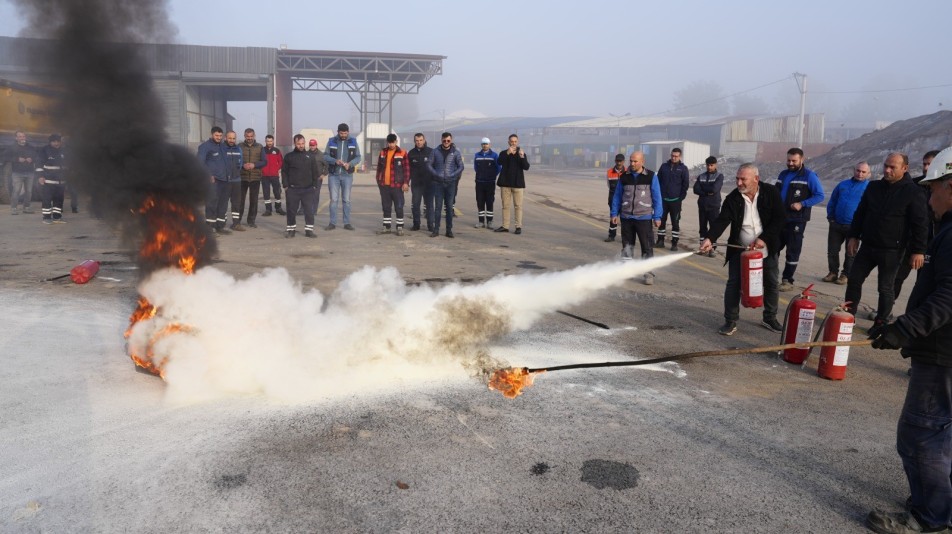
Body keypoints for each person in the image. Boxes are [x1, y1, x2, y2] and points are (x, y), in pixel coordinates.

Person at [864, 146, 952, 534]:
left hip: (942, 352)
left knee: (921, 433)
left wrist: (905, 328)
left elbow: (949, 296)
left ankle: (928, 518)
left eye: (932, 188)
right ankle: (940, 508)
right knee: (943, 432)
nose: (928, 196)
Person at [845, 153, 929, 336]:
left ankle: (881, 322)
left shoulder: (914, 192)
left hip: (892, 250)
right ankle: (847, 315)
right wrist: (853, 236)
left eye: (893, 167)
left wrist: (918, 251)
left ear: (904, 169)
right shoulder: (874, 187)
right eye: (886, 166)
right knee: (854, 279)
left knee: (885, 287)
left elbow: (920, 224)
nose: (887, 170)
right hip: (868, 246)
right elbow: (861, 213)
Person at [698, 163, 786, 336]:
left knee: (771, 283)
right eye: (737, 179)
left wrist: (764, 239)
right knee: (734, 284)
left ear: (756, 179)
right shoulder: (733, 198)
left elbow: (780, 219)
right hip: (739, 248)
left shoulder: (771, 193)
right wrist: (710, 238)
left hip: (766, 248)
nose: (738, 183)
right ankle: (730, 321)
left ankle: (769, 317)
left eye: (743, 179)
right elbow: (722, 220)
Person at [894, 149, 942, 302]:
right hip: (909, 243)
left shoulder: (946, 188)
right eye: (924, 164)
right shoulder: (913, 185)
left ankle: (916, 313)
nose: (926, 167)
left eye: (930, 164)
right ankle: (884, 310)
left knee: (924, 283)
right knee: (895, 278)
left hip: (933, 245)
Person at [776, 147, 825, 291]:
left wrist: (802, 203)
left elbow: (820, 195)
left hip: (796, 220)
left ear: (802, 160)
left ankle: (787, 280)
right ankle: (770, 276)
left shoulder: (809, 176)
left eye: (794, 161)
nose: (790, 163)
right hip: (780, 219)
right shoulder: (783, 174)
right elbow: (776, 193)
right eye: (788, 160)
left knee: (793, 251)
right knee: (773, 248)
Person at [610, 151, 662, 285]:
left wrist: (657, 216)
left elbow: (657, 198)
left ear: (642, 162)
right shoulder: (624, 177)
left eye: (635, 161)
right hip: (626, 217)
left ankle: (648, 273)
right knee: (627, 246)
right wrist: (614, 213)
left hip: (644, 217)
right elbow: (617, 196)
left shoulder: (651, 176)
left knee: (647, 246)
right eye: (631, 161)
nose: (632, 164)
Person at [823, 162, 871, 285]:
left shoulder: (869, 188)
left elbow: (870, 209)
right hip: (836, 224)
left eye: (863, 172)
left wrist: (863, 226)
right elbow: (833, 201)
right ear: (853, 170)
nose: (860, 174)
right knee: (832, 251)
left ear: (868, 173)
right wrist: (831, 218)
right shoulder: (842, 185)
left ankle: (845, 275)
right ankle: (833, 273)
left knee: (850, 252)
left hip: (853, 227)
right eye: (858, 170)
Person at [281, 134, 322, 238]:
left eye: (302, 143)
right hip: (293, 189)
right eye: (298, 143)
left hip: (308, 190)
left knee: (309, 211)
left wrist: (314, 186)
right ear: (294, 143)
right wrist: (286, 186)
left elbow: (315, 172)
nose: (301, 145)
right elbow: (284, 172)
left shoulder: (310, 157)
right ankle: (291, 230)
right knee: (291, 210)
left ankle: (309, 231)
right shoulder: (289, 156)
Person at [323, 123, 360, 231]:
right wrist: (335, 161)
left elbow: (358, 157)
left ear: (348, 132)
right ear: (338, 132)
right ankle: (332, 223)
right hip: (333, 175)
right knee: (334, 200)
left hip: (347, 175)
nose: (343, 135)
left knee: (346, 200)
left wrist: (350, 164)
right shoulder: (331, 141)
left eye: (345, 133)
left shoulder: (353, 141)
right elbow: (325, 155)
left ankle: (347, 222)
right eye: (341, 133)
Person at [427, 131, 464, 238]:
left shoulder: (456, 153)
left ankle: (449, 230)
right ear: (441, 140)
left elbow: (461, 167)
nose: (446, 142)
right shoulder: (435, 152)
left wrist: (453, 175)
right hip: (438, 183)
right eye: (444, 140)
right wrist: (436, 174)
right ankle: (436, 230)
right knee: (438, 208)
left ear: (451, 140)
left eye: (448, 140)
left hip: (450, 184)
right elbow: (429, 164)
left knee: (448, 208)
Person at [374, 133, 410, 235]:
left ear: (396, 142)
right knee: (386, 206)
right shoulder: (383, 152)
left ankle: (399, 228)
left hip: (397, 186)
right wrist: (379, 181)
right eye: (389, 143)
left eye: (393, 142)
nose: (391, 145)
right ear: (387, 142)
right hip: (384, 186)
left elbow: (407, 170)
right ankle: (387, 227)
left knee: (399, 206)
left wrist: (406, 183)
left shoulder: (402, 153)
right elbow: (379, 169)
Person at [197, 126, 231, 235]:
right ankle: (210, 228)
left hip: (225, 180)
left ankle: (219, 227)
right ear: (212, 134)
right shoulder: (204, 147)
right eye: (217, 135)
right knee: (212, 203)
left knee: (223, 204)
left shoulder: (223, 146)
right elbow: (199, 163)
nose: (219, 137)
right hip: (213, 181)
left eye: (221, 136)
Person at [655, 147, 690, 251]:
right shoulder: (664, 166)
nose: (674, 158)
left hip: (675, 201)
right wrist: (658, 196)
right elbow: (658, 181)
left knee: (675, 223)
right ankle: (660, 241)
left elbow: (685, 184)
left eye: (676, 156)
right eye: (672, 155)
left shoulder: (683, 169)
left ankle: (674, 243)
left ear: (680, 157)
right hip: (663, 200)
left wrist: (680, 198)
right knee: (661, 221)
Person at [494, 133, 530, 235]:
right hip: (505, 184)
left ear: (517, 142)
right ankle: (505, 226)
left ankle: (518, 227)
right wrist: (508, 153)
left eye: (515, 141)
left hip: (518, 185)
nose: (513, 143)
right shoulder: (503, 153)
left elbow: (526, 167)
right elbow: (499, 162)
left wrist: (522, 157)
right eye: (512, 141)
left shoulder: (521, 153)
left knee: (518, 206)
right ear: (508, 142)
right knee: (505, 206)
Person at [693, 156, 723, 257]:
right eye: (708, 165)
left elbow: (714, 189)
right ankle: (702, 247)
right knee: (702, 228)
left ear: (715, 165)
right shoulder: (701, 176)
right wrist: (707, 192)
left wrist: (703, 190)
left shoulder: (719, 176)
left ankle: (712, 248)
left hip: (713, 206)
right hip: (702, 206)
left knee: (713, 227)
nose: (709, 167)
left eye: (711, 165)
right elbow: (695, 189)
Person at [237, 128, 267, 228]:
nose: (249, 138)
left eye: (251, 136)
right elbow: (235, 160)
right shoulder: (239, 146)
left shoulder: (260, 147)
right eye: (247, 136)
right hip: (242, 177)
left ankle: (251, 220)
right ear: (244, 136)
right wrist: (242, 165)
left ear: (254, 136)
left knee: (254, 200)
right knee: (240, 200)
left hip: (255, 178)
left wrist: (254, 165)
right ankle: (238, 220)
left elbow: (264, 161)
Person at [36, 133, 67, 224]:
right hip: (48, 180)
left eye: (58, 141)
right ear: (50, 142)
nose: (56, 143)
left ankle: (57, 217)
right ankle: (46, 218)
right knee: (47, 199)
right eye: (54, 142)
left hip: (61, 181)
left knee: (59, 199)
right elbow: (39, 164)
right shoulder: (44, 150)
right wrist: (40, 176)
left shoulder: (63, 151)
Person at [407, 133, 433, 232]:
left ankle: (431, 225)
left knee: (430, 206)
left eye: (421, 140)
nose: (419, 142)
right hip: (416, 184)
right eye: (417, 140)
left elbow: (435, 167)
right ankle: (416, 224)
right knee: (415, 205)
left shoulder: (431, 152)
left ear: (424, 140)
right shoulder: (411, 153)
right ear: (414, 141)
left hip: (428, 184)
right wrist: (406, 182)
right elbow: (408, 169)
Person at [473, 137, 500, 229]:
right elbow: (475, 167)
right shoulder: (477, 155)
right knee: (480, 201)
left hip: (490, 183)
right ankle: (481, 222)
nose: (485, 145)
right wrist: (480, 175)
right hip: (479, 182)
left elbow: (499, 168)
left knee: (489, 201)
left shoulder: (494, 156)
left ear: (489, 144)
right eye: (483, 144)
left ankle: (489, 221)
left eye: (486, 144)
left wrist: (492, 175)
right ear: (481, 145)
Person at [9, 131, 35, 215]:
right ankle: (14, 208)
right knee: (16, 191)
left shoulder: (30, 147)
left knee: (29, 191)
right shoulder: (12, 147)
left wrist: (31, 159)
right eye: (20, 136)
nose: (22, 138)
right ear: (16, 138)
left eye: (23, 136)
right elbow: (6, 157)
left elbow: (36, 156)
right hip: (17, 173)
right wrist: (17, 159)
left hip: (29, 172)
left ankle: (26, 208)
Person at [222, 131, 244, 231]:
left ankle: (236, 223)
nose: (232, 140)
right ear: (225, 138)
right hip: (224, 180)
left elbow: (241, 162)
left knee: (236, 203)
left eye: (233, 138)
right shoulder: (221, 148)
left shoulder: (238, 149)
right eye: (229, 138)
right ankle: (222, 223)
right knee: (223, 202)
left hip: (236, 180)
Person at [261, 134, 286, 217]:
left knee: (277, 192)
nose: (269, 142)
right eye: (268, 141)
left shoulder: (277, 151)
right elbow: (259, 161)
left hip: (274, 175)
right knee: (266, 193)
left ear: (273, 141)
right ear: (265, 141)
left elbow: (281, 162)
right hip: (264, 176)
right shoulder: (262, 150)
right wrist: (261, 169)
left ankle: (278, 208)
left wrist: (277, 169)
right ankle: (268, 210)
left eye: (271, 141)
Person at [604, 153, 626, 242]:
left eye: (620, 161)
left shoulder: (628, 172)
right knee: (613, 217)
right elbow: (608, 185)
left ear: (624, 161)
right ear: (615, 161)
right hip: (613, 199)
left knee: (625, 220)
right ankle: (611, 235)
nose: (619, 163)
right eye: (617, 161)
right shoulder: (609, 172)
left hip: (625, 200)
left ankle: (625, 237)